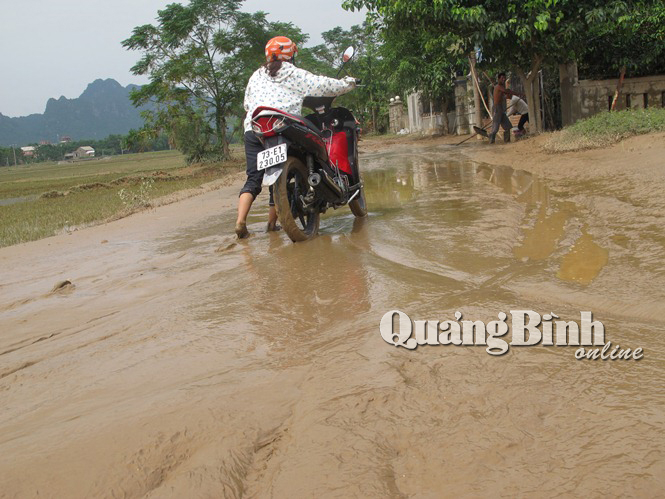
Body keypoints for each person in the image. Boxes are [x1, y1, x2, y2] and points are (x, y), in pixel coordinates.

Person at [235, 36, 357, 239]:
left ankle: (240, 222)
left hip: (255, 128)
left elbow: (247, 105)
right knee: (285, 165)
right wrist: (347, 83)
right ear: (290, 55)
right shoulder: (291, 72)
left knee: (254, 178)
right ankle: (272, 222)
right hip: (283, 125)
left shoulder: (256, 75)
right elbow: (321, 85)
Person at [488, 73, 524, 144]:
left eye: (504, 78)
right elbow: (507, 91)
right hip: (497, 108)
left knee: (508, 126)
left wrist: (514, 94)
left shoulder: (501, 87)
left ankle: (507, 142)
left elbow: (506, 94)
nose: (503, 79)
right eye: (502, 78)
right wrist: (519, 93)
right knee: (495, 128)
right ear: (498, 79)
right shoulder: (498, 87)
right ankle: (491, 140)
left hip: (501, 109)